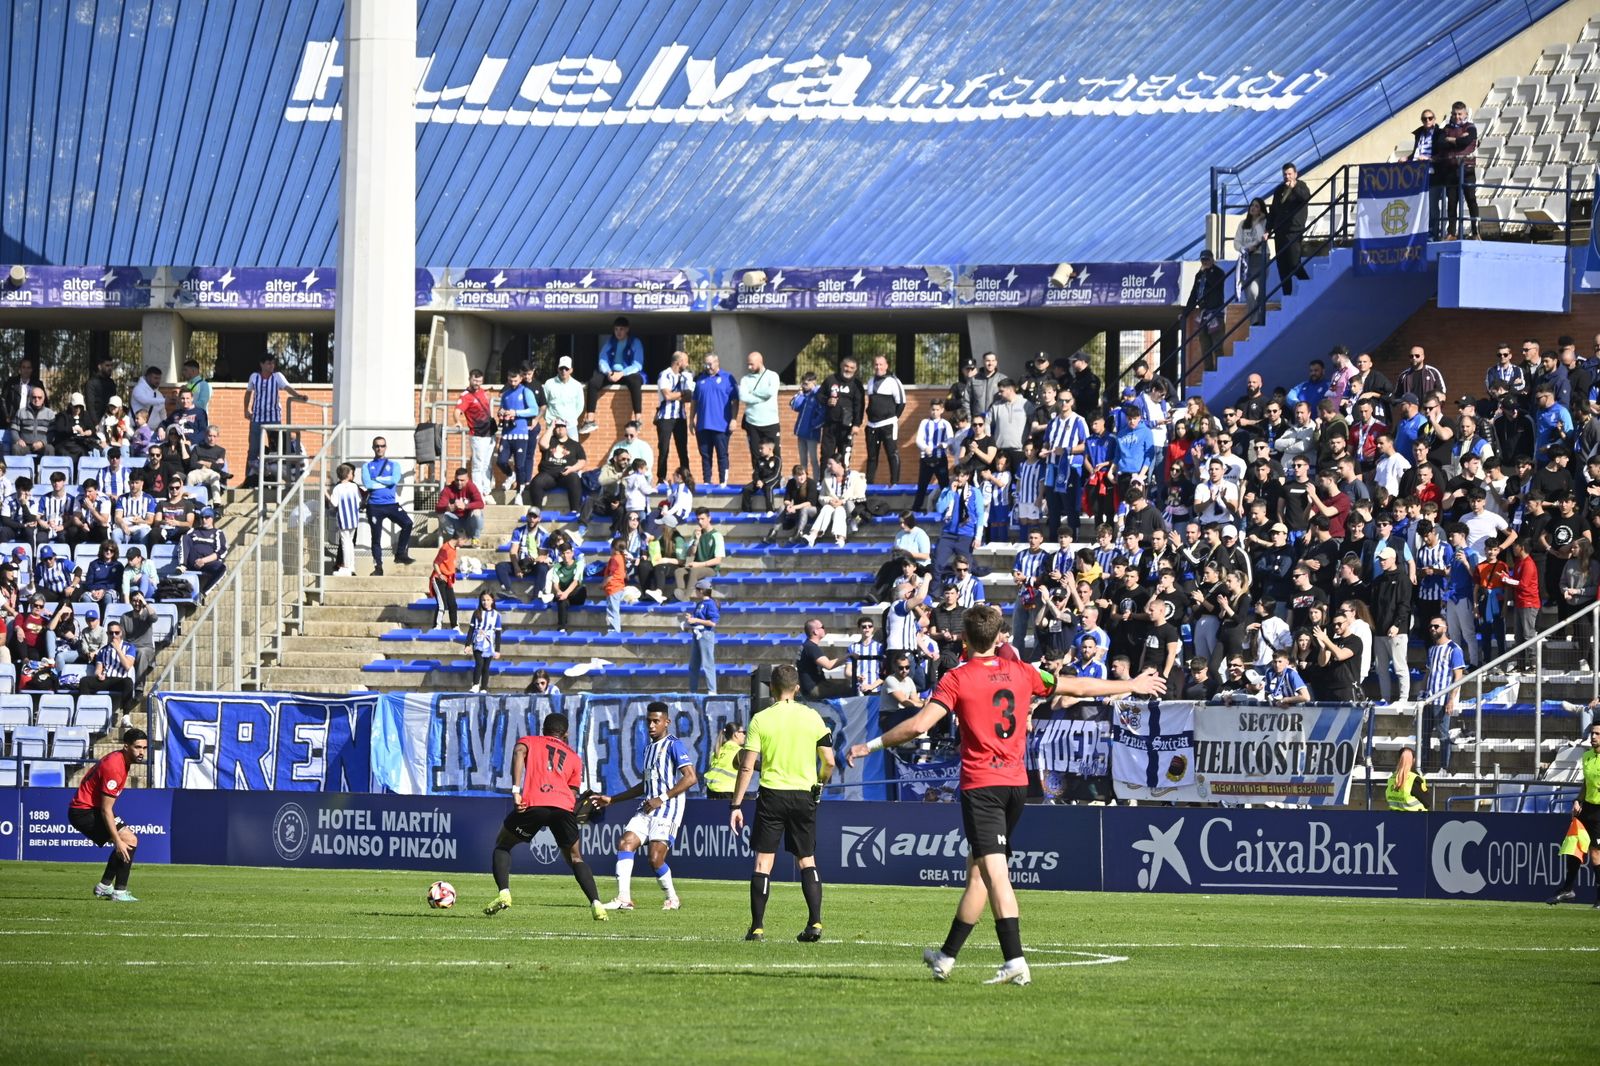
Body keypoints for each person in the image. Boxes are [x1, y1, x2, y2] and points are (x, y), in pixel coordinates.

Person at [847, 604, 1165, 985]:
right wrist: (1131, 685)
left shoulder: (957, 677)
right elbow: (1079, 686)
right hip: (1015, 784)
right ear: (999, 637)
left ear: (964, 639)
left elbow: (918, 726)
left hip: (983, 786)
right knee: (978, 874)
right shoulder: (1023, 671)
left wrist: (870, 745)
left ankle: (1015, 960)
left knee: (996, 874)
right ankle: (946, 957)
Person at [729, 663, 836, 943]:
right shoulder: (813, 717)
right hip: (804, 794)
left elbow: (747, 767)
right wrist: (820, 785)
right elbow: (829, 762)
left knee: (763, 861)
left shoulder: (760, 719)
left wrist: (736, 805)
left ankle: (757, 928)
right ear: (797, 688)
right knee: (806, 859)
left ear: (771, 689)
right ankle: (815, 922)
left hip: (772, 795)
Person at [484, 712, 608, 922]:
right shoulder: (574, 758)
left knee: (503, 845)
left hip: (534, 803)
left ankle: (504, 893)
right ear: (566, 734)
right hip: (563, 807)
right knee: (576, 858)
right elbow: (572, 792)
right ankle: (596, 904)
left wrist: (516, 790)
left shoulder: (530, 741)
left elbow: (519, 751)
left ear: (543, 730)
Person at [600, 701, 697, 912]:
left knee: (655, 859)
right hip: (648, 807)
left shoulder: (674, 745)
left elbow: (690, 778)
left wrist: (661, 798)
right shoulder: (648, 749)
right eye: (649, 721)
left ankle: (672, 898)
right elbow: (645, 785)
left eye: (656, 721)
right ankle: (623, 899)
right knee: (625, 843)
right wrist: (612, 799)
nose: (651, 726)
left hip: (667, 809)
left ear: (666, 722)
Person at [67, 727, 149, 902]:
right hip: (83, 812)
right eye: (137, 747)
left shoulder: (121, 760)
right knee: (128, 840)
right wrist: (117, 841)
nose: (141, 752)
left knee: (129, 840)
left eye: (144, 748)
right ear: (126, 746)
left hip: (91, 808)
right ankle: (119, 892)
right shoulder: (115, 767)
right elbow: (106, 809)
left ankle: (104, 886)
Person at [1549, 723, 1600, 905]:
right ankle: (1568, 889)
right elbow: (1586, 783)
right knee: (1574, 846)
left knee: (1595, 853)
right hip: (1586, 809)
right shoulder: (1587, 756)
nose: (1593, 737)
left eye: (1597, 734)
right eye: (1592, 733)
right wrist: (1578, 800)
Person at [243, 354, 305, 483]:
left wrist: (298, 395)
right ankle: (249, 479)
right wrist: (246, 410)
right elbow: (248, 393)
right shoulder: (254, 377)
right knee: (253, 449)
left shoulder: (277, 376)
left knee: (276, 448)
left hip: (273, 418)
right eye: (268, 363)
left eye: (273, 363)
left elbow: (287, 388)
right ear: (262, 364)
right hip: (257, 418)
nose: (272, 366)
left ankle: (275, 477)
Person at [581, 317, 645, 434]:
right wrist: (608, 372)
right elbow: (602, 360)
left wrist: (622, 373)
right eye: (616, 329)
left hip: (626, 373)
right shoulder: (610, 342)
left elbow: (637, 364)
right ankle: (590, 420)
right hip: (611, 373)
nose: (618, 332)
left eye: (621, 329)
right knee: (593, 382)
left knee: (636, 381)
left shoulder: (635, 342)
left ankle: (638, 420)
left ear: (627, 329)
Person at [361, 436, 413, 576]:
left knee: (407, 523)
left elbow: (394, 480)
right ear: (373, 448)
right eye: (377, 446)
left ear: (386, 447)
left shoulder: (394, 465)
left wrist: (377, 479)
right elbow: (368, 484)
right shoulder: (367, 466)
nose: (380, 448)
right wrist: (386, 482)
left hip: (391, 504)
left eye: (382, 446)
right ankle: (378, 567)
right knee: (376, 537)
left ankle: (400, 553)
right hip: (374, 506)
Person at [1420, 616, 1466, 774]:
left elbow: (1458, 676)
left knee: (1443, 735)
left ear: (1445, 628)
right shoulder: (1432, 649)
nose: (1432, 629)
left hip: (1442, 700)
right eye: (1431, 626)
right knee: (1424, 735)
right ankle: (1423, 766)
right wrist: (1421, 693)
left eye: (1436, 626)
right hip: (1428, 699)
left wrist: (1451, 699)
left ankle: (1444, 767)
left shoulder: (1454, 649)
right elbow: (1428, 673)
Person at [692, 353, 738, 486]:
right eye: (706, 364)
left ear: (717, 363)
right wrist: (691, 420)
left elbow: (735, 401)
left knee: (722, 455)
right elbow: (694, 401)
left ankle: (723, 481)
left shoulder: (727, 378)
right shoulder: (700, 379)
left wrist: (733, 419)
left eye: (710, 364)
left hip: (721, 425)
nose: (708, 367)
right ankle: (707, 481)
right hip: (703, 425)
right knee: (705, 456)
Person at [1267, 161, 1312, 295]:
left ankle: (1309, 288)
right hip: (1280, 232)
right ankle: (1287, 295)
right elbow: (1273, 211)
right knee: (1282, 266)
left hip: (1294, 232)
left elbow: (1305, 198)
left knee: (1294, 264)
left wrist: (1294, 188)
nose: (1287, 177)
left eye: (1289, 174)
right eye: (1285, 174)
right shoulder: (1279, 190)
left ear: (1295, 174)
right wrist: (1268, 229)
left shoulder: (1301, 186)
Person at [863, 354, 906, 484]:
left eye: (881, 364)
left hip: (888, 424)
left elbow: (901, 403)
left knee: (892, 454)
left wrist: (893, 418)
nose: (878, 367)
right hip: (872, 425)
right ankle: (869, 484)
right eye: (876, 364)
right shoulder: (870, 381)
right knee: (872, 456)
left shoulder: (893, 381)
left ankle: (895, 483)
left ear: (886, 366)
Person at [455, 368, 497, 496]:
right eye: (475, 380)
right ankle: (478, 494)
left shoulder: (483, 392)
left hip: (490, 433)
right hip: (478, 435)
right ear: (469, 379)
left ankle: (486, 491)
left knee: (487, 464)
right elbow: (457, 411)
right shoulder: (465, 396)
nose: (477, 383)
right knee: (478, 465)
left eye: (479, 381)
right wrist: (458, 421)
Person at [738, 349, 782, 474]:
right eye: (748, 364)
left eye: (752, 364)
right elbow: (743, 396)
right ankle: (758, 478)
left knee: (775, 452)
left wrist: (752, 392)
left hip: (770, 422)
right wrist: (760, 398)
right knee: (756, 454)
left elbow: (770, 392)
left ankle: (776, 478)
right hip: (752, 422)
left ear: (760, 362)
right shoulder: (745, 379)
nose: (749, 367)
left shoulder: (772, 376)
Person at [79, 619, 137, 712]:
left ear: (121, 633)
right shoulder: (103, 650)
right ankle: (86, 709)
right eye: (111, 633)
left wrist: (118, 649)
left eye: (116, 633)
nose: (114, 635)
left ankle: (126, 714)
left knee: (128, 682)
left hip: (120, 680)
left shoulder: (129, 647)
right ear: (107, 634)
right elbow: (98, 669)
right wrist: (98, 674)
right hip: (107, 678)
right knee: (84, 681)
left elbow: (127, 666)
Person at [820, 357, 866, 466]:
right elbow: (819, 395)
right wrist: (827, 400)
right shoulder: (831, 380)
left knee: (844, 457)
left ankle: (843, 477)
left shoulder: (857, 384)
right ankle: (824, 477)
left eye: (851, 368)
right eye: (846, 366)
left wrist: (857, 424)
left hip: (847, 427)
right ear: (841, 366)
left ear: (855, 369)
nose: (848, 369)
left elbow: (859, 406)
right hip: (830, 425)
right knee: (826, 456)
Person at [1235, 197, 1271, 325]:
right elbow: (1237, 242)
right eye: (1252, 205)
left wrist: (1257, 223)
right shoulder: (1243, 224)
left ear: (1261, 210)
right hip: (1247, 259)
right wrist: (1245, 248)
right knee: (1249, 290)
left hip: (1260, 257)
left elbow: (1262, 238)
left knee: (1256, 291)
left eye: (1257, 206)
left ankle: (1258, 320)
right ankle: (1256, 320)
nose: (1253, 208)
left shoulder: (1264, 222)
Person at [797, 618, 850, 699]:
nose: (824, 629)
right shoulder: (811, 647)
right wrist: (847, 656)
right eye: (822, 627)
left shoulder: (807, 645)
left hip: (810, 687)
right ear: (815, 631)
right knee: (849, 689)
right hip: (814, 688)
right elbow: (828, 665)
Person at [325, 462, 362, 576]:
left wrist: (326, 493)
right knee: (350, 542)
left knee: (345, 543)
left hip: (343, 520)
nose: (352, 474)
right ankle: (351, 566)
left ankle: (346, 566)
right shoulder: (354, 486)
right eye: (351, 473)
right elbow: (359, 500)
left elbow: (334, 503)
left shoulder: (337, 488)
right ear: (347, 474)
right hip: (354, 519)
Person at [684, 576, 719, 694]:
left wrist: (696, 620)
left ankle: (712, 690)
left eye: (697, 590)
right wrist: (691, 619)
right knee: (693, 665)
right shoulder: (699, 604)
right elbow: (697, 619)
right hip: (697, 634)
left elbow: (712, 622)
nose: (695, 592)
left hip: (706, 634)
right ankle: (692, 690)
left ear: (702, 591)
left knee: (708, 663)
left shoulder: (710, 604)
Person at [181, 507, 228, 593]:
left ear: (212, 518)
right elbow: (185, 542)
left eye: (207, 517)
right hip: (192, 561)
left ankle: (204, 592)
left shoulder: (218, 533)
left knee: (222, 568)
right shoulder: (193, 531)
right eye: (202, 518)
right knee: (184, 537)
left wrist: (203, 560)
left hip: (207, 563)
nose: (204, 520)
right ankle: (182, 565)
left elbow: (222, 552)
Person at [466, 589, 501, 693]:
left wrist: (497, 650)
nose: (485, 602)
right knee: (479, 663)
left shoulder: (496, 615)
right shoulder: (476, 613)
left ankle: (484, 687)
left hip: (489, 644)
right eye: (483, 600)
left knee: (486, 666)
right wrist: (468, 644)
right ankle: (476, 684)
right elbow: (471, 630)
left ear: (492, 601)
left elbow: (498, 633)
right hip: (478, 641)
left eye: (488, 600)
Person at [702, 722, 745, 799]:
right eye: (743, 732)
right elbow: (755, 765)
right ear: (736, 734)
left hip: (711, 790)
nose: (744, 735)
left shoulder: (718, 749)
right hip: (726, 791)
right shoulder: (738, 751)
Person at [429, 530, 461, 632]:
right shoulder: (445, 548)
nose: (465, 543)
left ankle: (455, 626)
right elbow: (436, 563)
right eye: (464, 541)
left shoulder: (454, 548)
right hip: (439, 579)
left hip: (448, 580)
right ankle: (437, 626)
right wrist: (440, 574)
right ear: (459, 539)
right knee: (442, 604)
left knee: (453, 604)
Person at [1385, 746, 1429, 812]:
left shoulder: (1391, 778)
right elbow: (1428, 802)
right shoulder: (1415, 779)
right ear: (1413, 760)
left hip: (1393, 815)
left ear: (1399, 760)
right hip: (1415, 816)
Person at [601, 537, 627, 635]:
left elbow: (611, 576)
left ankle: (616, 630)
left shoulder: (614, 559)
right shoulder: (621, 557)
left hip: (613, 588)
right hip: (619, 587)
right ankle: (615, 629)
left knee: (612, 611)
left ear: (613, 548)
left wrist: (603, 584)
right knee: (614, 609)